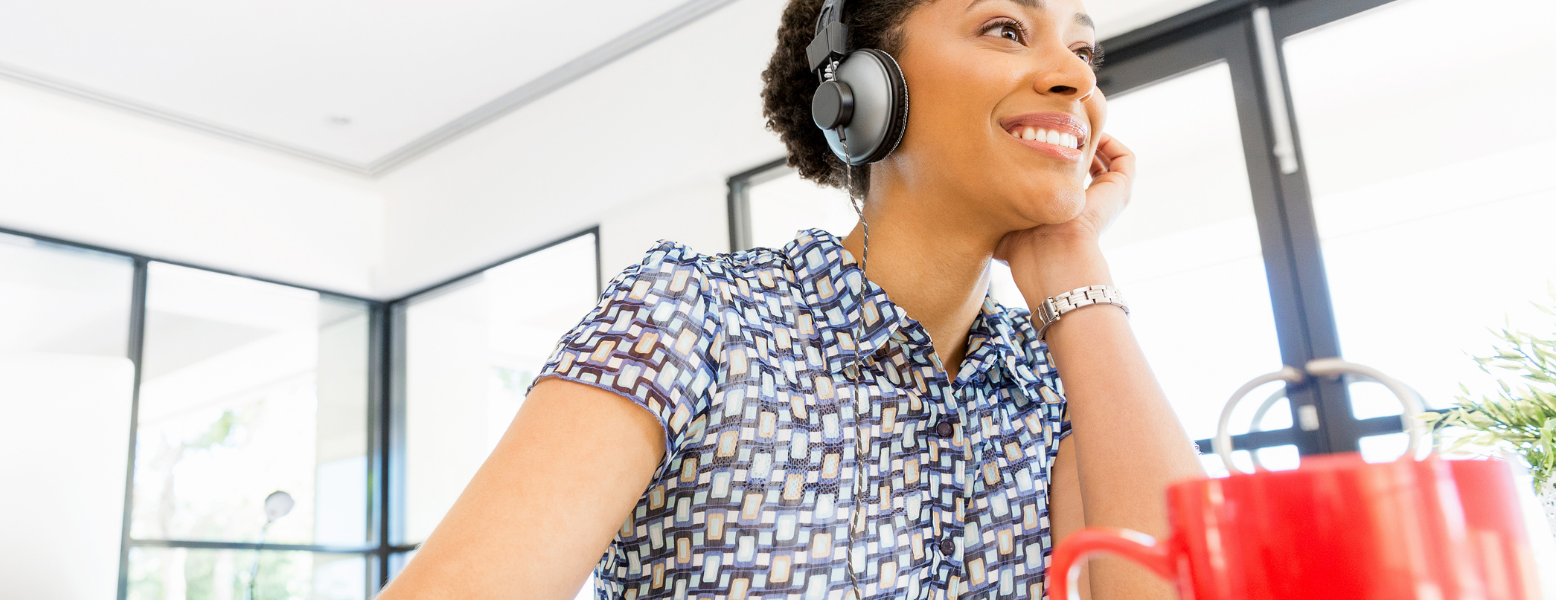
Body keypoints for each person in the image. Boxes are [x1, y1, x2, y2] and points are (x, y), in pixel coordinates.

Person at [378, 0, 1202, 597]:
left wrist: (1072, 262)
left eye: (1087, 53)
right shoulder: (691, 320)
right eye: (1005, 29)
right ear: (868, 92)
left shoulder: (1057, 370)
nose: (1073, 78)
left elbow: (1171, 588)